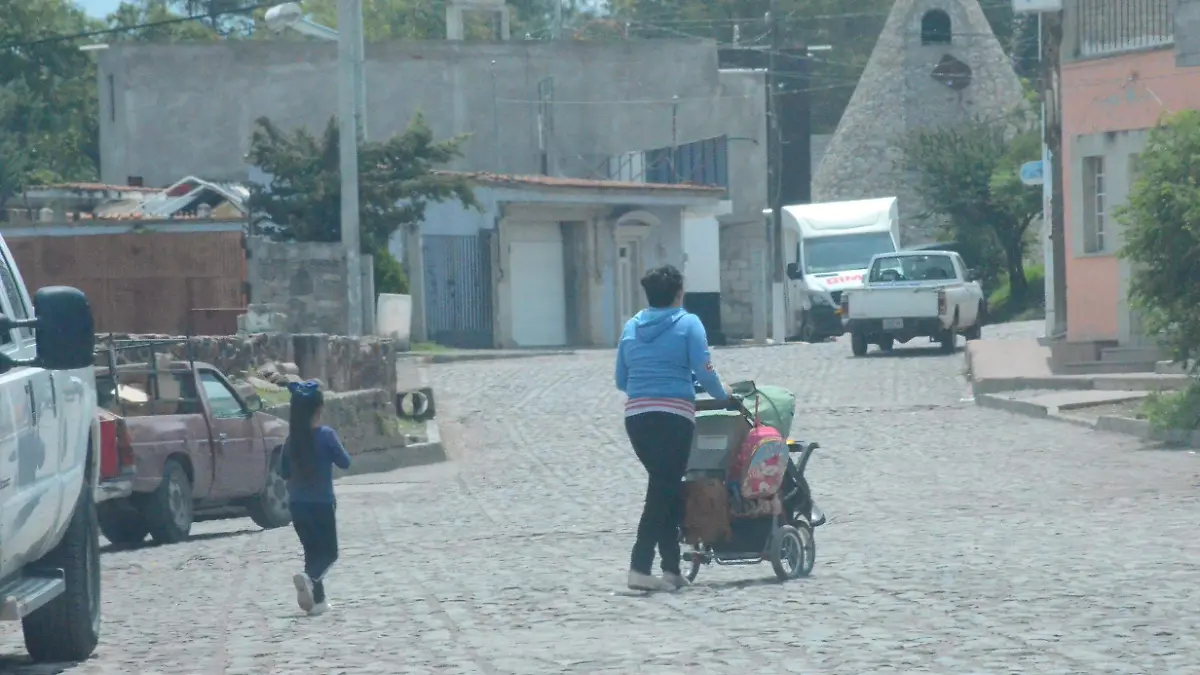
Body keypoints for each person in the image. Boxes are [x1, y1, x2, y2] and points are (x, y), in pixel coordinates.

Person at [614, 264, 731, 592]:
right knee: (663, 488)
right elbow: (705, 369)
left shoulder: (631, 327)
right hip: (673, 419)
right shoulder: (688, 323)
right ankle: (639, 566)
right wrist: (723, 394)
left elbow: (621, 379)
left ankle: (670, 570)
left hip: (637, 419)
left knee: (664, 486)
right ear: (679, 293)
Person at [280, 380, 351, 616]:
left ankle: (318, 602)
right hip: (321, 505)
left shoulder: (291, 442)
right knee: (329, 553)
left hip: (297, 506)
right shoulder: (326, 435)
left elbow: (283, 472)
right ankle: (310, 580)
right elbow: (345, 462)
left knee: (312, 553)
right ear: (318, 411)